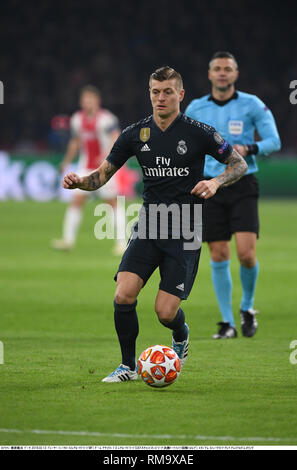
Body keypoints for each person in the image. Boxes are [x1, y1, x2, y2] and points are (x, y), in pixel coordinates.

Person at [62, 66, 247, 382]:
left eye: (168, 92)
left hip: (185, 229)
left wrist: (215, 182)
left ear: (180, 95)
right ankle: (128, 366)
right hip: (149, 225)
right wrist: (81, 181)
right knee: (123, 295)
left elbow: (238, 164)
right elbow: (102, 175)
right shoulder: (135, 134)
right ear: (149, 94)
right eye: (155, 92)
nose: (161, 98)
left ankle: (181, 333)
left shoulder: (199, 132)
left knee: (164, 312)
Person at [185, 52, 281, 339]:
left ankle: (247, 307)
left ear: (235, 74)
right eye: (217, 69)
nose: (222, 73)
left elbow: (274, 141)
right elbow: (185, 143)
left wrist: (248, 149)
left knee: (246, 254)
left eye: (228, 69)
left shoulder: (252, 104)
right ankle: (227, 323)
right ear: (210, 74)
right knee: (218, 252)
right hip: (210, 185)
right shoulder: (196, 108)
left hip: (243, 183)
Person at [51, 85, 126, 255]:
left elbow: (117, 139)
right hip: (85, 166)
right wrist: (66, 161)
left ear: (97, 101)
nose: (87, 103)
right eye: (85, 100)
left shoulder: (107, 119)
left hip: (106, 167)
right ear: (81, 102)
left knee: (112, 203)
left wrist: (107, 156)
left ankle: (121, 243)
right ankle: (68, 241)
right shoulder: (77, 119)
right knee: (77, 200)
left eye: (90, 99)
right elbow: (75, 142)